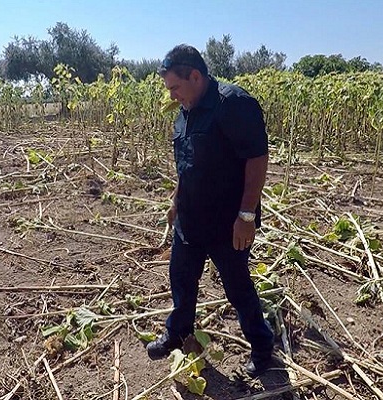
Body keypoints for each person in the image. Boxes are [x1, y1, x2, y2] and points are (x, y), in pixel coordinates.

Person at [146, 44, 274, 377]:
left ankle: (262, 349)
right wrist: (176, 199)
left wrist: (246, 216)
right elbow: (187, 163)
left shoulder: (234, 105)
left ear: (196, 76)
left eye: (175, 87)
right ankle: (178, 333)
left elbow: (257, 159)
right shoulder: (184, 110)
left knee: (237, 288)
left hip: (227, 223)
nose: (172, 96)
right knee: (182, 279)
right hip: (191, 220)